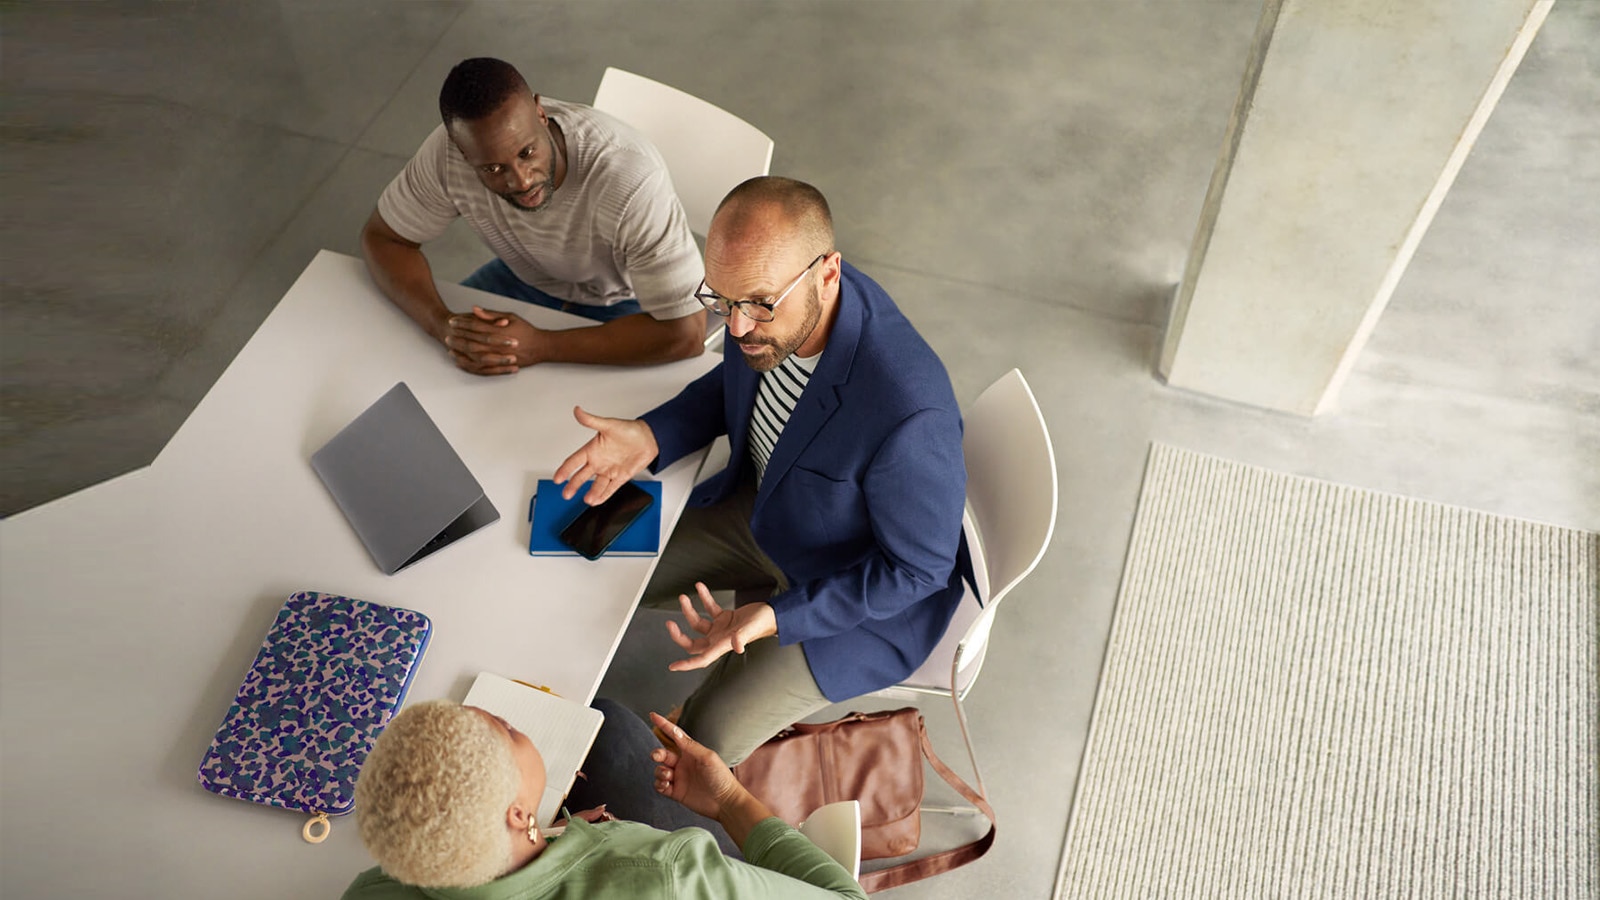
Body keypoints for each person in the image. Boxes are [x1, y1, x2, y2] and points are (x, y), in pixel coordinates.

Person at [554, 176, 972, 764]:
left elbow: (919, 570)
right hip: (767, 506)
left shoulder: (909, 412)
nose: (737, 328)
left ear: (828, 273)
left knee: (698, 746)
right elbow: (732, 380)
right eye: (722, 302)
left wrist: (778, 614)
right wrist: (652, 434)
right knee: (581, 554)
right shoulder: (768, 306)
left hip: (854, 590)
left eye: (756, 304)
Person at [360, 57, 707, 375]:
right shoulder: (445, 156)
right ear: (462, 152)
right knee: (415, 370)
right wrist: (442, 324)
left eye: (527, 152)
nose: (522, 180)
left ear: (541, 114)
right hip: (524, 278)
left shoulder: (629, 178)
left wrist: (541, 346)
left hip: (624, 301)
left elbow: (687, 333)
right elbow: (384, 239)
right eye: (493, 168)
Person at [341, 698, 865, 899]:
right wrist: (727, 798)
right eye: (505, 727)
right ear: (519, 814)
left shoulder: (371, 893)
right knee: (609, 719)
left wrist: (549, 840)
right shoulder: (668, 873)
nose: (508, 718)